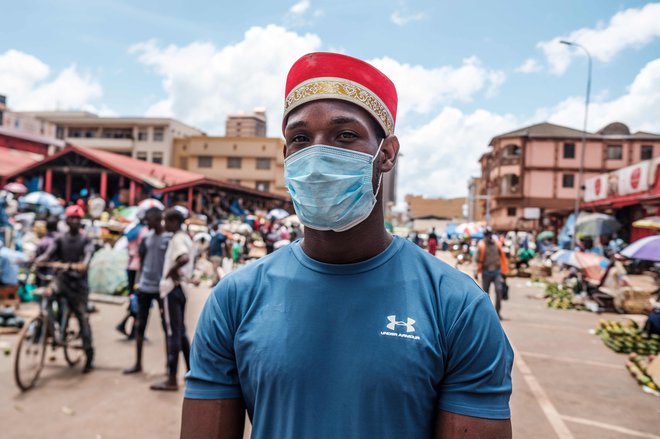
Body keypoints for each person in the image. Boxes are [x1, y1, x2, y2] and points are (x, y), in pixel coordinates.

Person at [182, 52, 513, 439]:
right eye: (301, 139)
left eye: (344, 136)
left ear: (386, 153)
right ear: (286, 155)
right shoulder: (235, 299)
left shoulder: (456, 307)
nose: (318, 157)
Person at [36, 205, 95, 373]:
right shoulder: (60, 238)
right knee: (47, 294)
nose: (75, 221)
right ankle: (50, 328)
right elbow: (49, 253)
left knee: (82, 318)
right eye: (72, 218)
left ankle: (89, 354)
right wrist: (40, 259)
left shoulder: (85, 240)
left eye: (78, 218)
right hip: (62, 280)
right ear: (67, 220)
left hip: (78, 285)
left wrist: (84, 263)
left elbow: (88, 253)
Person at [123, 207, 170, 375]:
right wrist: (136, 285)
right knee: (140, 326)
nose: (147, 223)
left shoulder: (168, 239)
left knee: (167, 328)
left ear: (158, 219)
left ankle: (168, 367)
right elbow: (141, 263)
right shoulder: (146, 238)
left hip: (161, 288)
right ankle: (138, 363)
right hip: (145, 287)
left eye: (149, 219)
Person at [150, 208, 193, 391]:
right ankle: (193, 371)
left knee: (173, 333)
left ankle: (171, 378)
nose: (163, 224)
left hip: (172, 289)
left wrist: (170, 272)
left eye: (166, 221)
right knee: (180, 332)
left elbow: (183, 258)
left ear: (174, 222)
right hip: (181, 288)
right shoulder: (184, 237)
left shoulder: (177, 239)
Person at [116, 219, 148, 339]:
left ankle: (129, 327)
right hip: (138, 269)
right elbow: (142, 250)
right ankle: (133, 329)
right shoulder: (144, 231)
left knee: (134, 298)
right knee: (138, 300)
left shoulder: (132, 230)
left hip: (130, 266)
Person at [476, 228, 509, 320]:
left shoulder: (497, 244)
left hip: (496, 271)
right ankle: (485, 313)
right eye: (487, 235)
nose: (489, 237)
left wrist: (504, 272)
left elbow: (503, 257)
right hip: (486, 271)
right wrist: (476, 271)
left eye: (490, 234)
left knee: (499, 290)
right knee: (485, 294)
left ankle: (497, 312)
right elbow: (476, 259)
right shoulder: (481, 246)